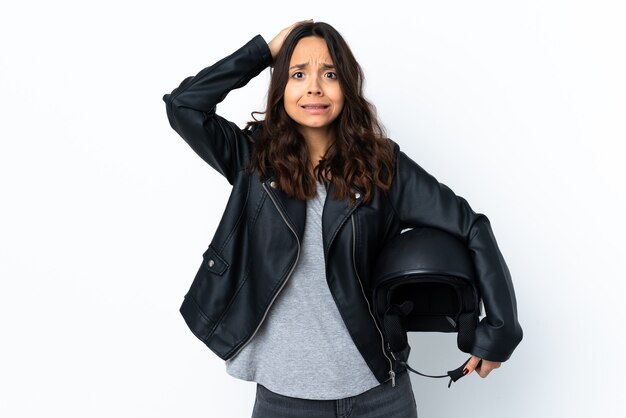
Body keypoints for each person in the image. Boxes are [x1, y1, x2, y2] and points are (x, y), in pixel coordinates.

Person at [162, 19, 522, 418]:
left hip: (379, 395)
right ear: (281, 87)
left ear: (347, 87)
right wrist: (264, 51)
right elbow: (184, 105)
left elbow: (472, 226)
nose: (314, 86)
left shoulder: (383, 165)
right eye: (298, 74)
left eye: (329, 74)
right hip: (283, 400)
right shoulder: (253, 160)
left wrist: (498, 332)